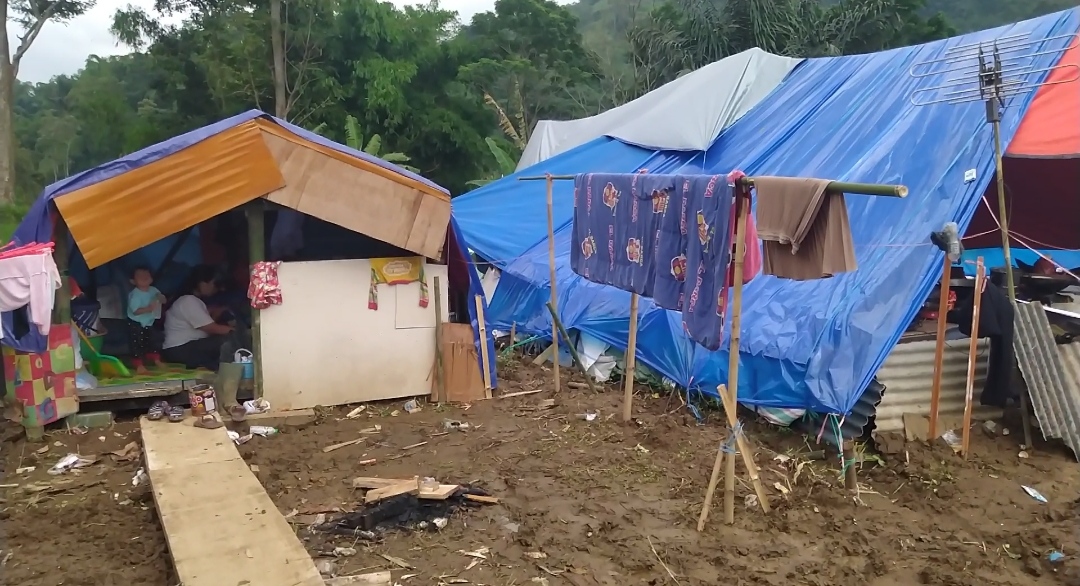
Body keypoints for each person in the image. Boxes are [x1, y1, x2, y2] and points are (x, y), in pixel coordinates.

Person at [162, 265, 235, 370]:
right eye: (214, 284)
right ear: (203, 283)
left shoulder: (193, 301)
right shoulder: (188, 301)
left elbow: (207, 325)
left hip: (186, 347)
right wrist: (236, 332)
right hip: (180, 349)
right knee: (227, 341)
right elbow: (211, 328)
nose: (216, 289)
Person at [126, 266, 166, 373]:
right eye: (140, 276)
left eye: (147, 275)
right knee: (136, 343)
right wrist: (148, 309)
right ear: (133, 281)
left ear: (151, 279)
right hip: (136, 322)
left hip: (149, 321)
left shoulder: (153, 290)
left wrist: (161, 297)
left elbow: (161, 297)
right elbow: (135, 311)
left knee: (153, 340)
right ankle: (138, 364)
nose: (144, 277)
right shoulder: (135, 294)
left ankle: (155, 359)